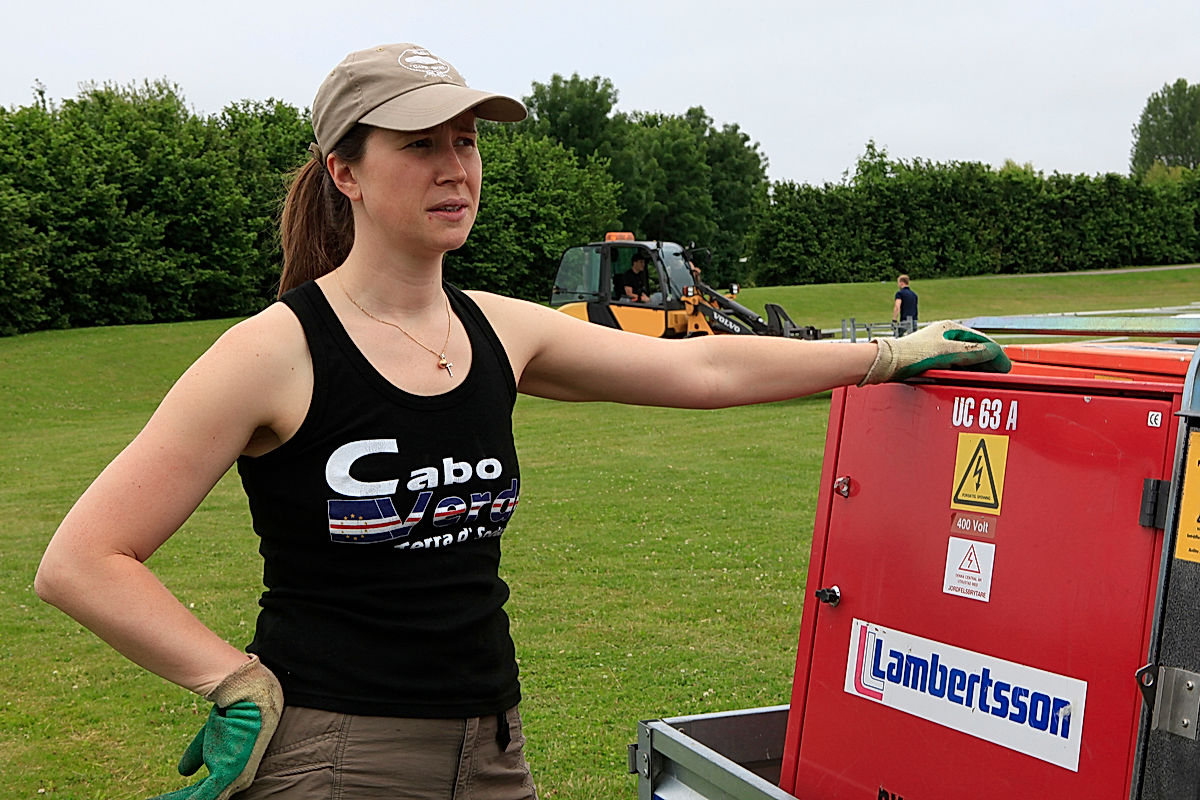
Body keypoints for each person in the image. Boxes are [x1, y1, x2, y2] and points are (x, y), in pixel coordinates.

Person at [33, 42, 1010, 799]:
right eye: (421, 143)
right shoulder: (274, 351)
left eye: (466, 139)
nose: (457, 164)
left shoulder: (500, 327)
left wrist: (884, 354)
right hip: (337, 756)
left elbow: (702, 362)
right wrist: (234, 682)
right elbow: (84, 557)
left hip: (493, 747)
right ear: (347, 172)